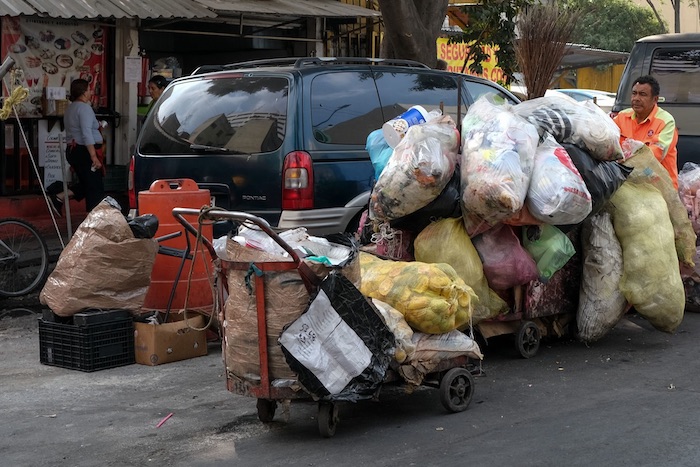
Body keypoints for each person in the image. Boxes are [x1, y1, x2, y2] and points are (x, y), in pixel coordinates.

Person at [49, 78, 104, 215]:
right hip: (84, 151)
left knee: (87, 183)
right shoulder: (84, 108)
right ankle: (94, 219)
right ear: (84, 92)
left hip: (73, 150)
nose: (91, 92)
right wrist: (93, 156)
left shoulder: (71, 108)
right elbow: (86, 133)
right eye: (89, 89)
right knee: (95, 187)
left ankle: (59, 197)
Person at [613, 75, 679, 188]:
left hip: (659, 185)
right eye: (634, 93)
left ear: (655, 99)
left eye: (642, 94)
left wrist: (625, 157)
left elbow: (655, 155)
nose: (636, 98)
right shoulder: (622, 116)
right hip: (628, 182)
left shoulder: (666, 121)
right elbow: (608, 142)